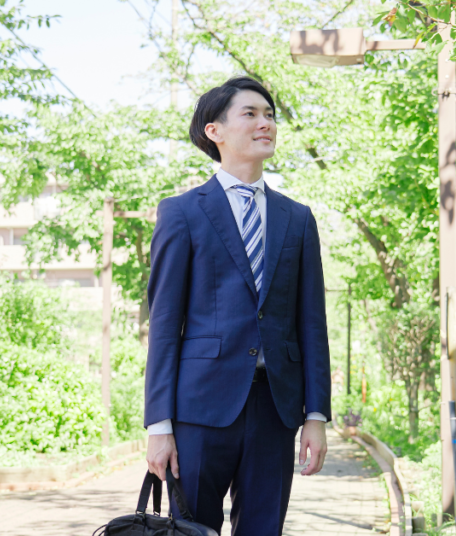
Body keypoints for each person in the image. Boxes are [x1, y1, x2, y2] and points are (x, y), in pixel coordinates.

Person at [144, 76, 331, 536]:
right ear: (215, 131)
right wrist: (158, 425)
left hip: (275, 408)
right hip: (198, 410)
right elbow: (164, 324)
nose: (265, 123)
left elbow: (311, 323)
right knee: (191, 531)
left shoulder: (297, 218)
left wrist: (315, 416)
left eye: (270, 115)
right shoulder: (182, 213)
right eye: (250, 114)